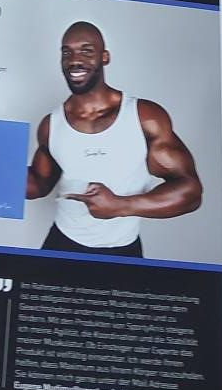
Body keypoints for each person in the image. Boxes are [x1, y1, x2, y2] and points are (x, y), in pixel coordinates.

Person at [26, 20, 202, 256]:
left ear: (105, 57)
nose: (74, 60)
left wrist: (120, 206)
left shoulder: (144, 117)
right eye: (67, 52)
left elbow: (191, 192)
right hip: (62, 242)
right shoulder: (51, 125)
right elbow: (38, 184)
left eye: (86, 51)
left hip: (122, 249)